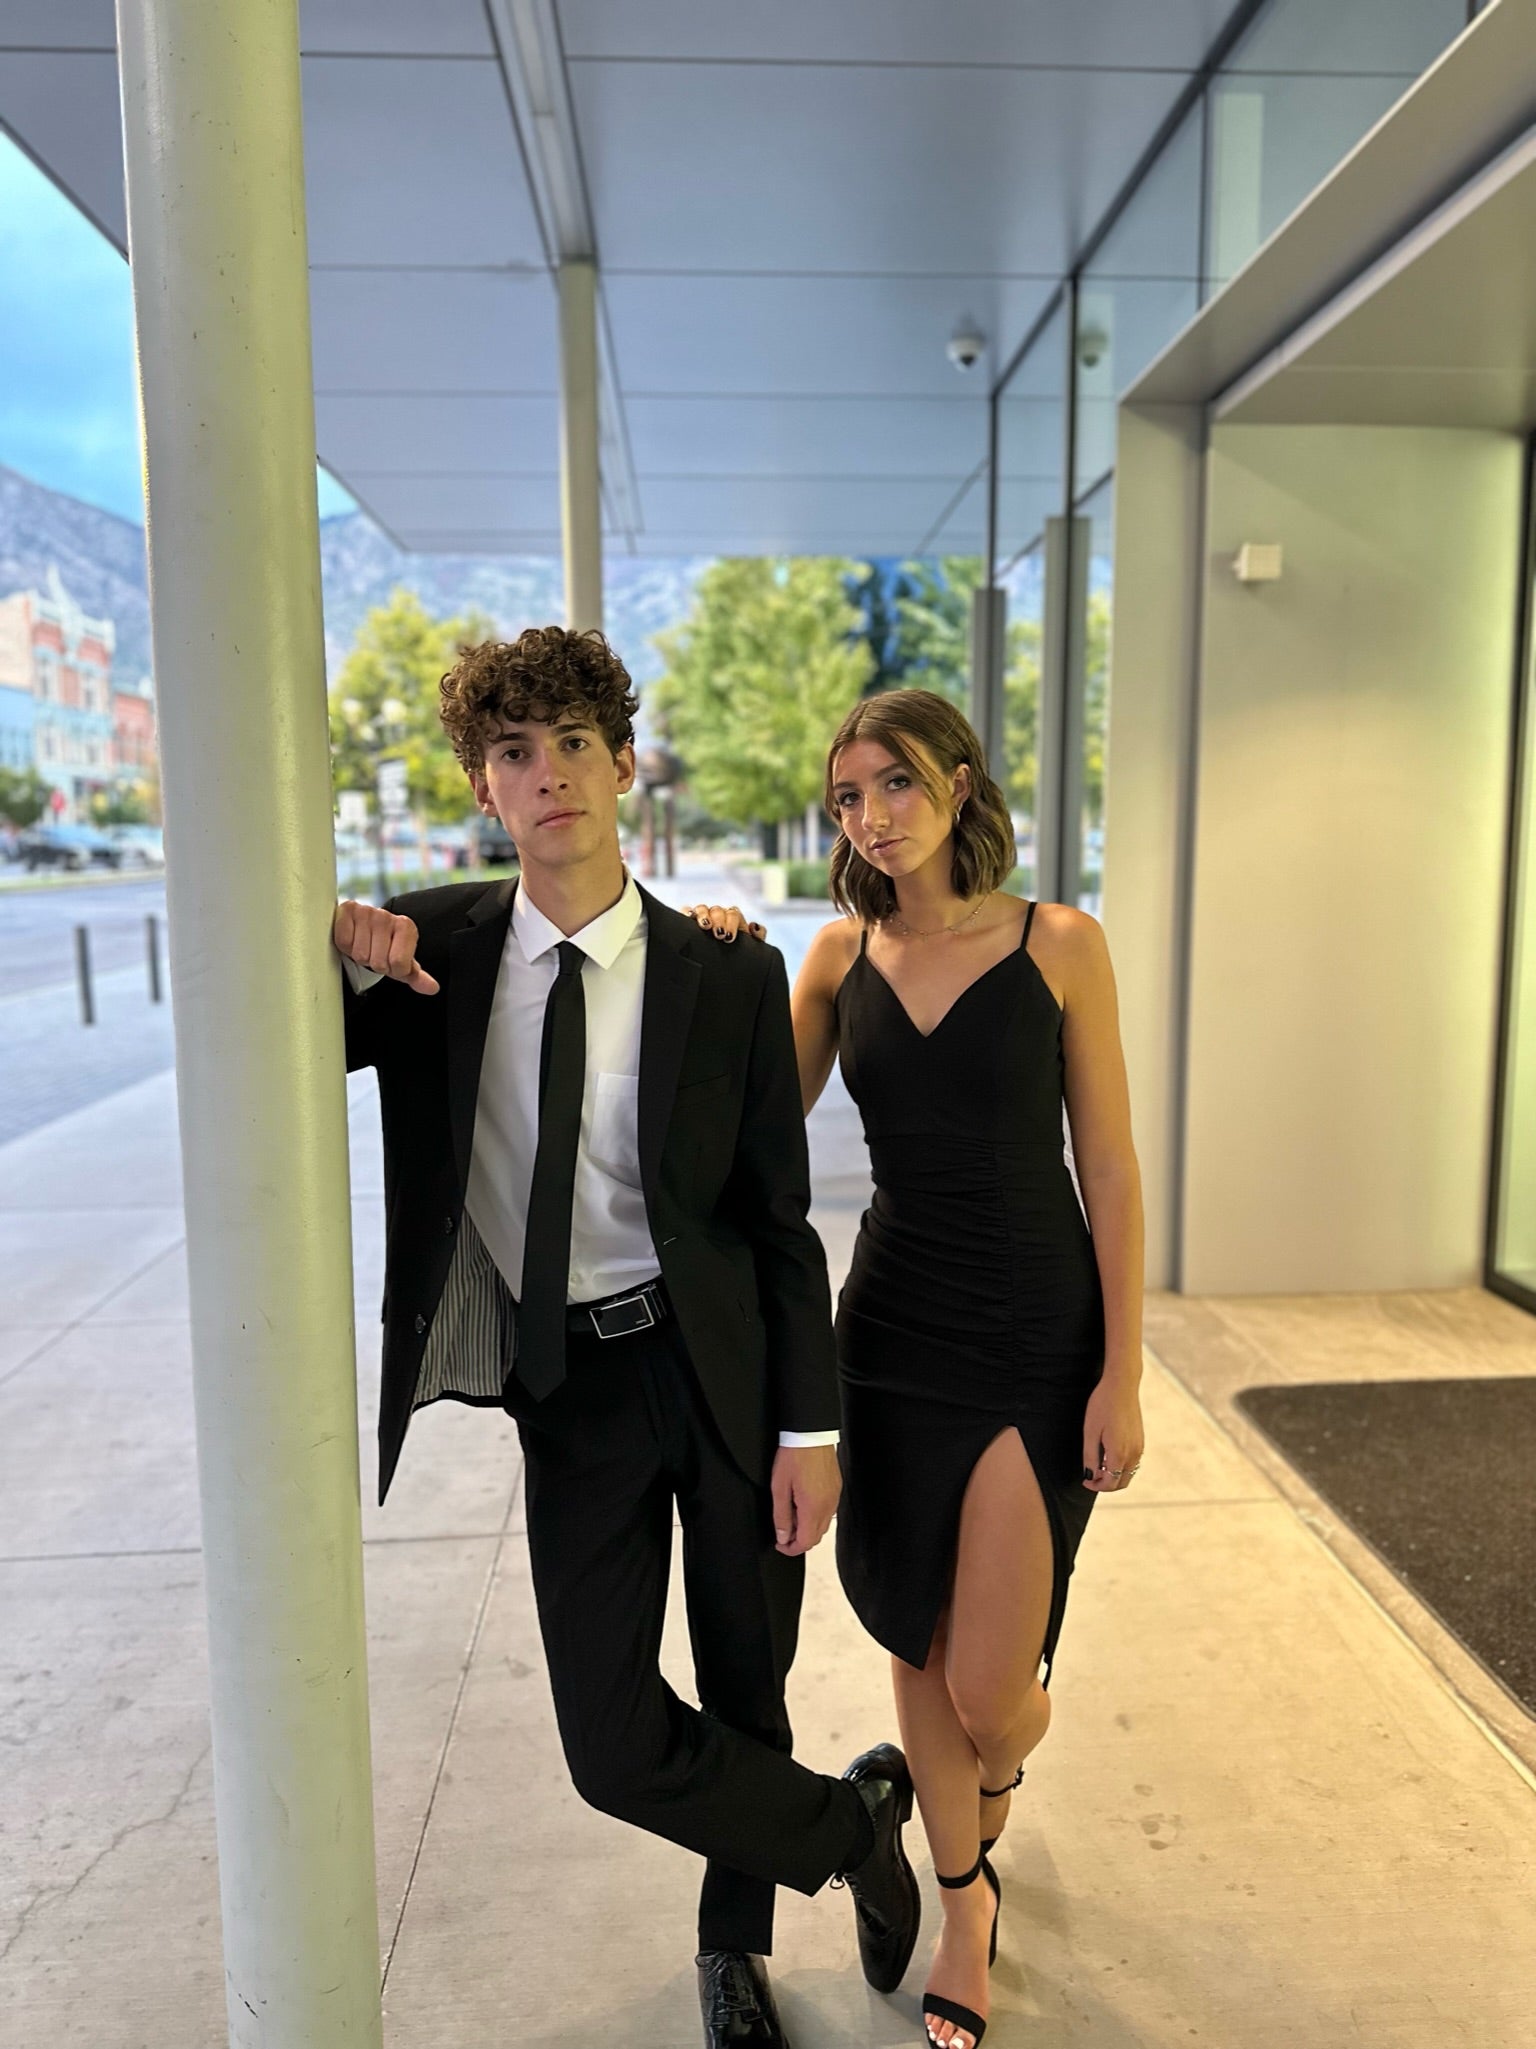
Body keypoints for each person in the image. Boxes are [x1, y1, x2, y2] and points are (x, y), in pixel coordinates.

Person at [332, 627, 922, 2049]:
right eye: (515, 752)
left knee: (746, 1683)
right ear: (484, 786)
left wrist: (811, 1428)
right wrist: (329, 945)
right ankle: (850, 1826)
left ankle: (734, 1952)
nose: (550, 774)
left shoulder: (726, 971)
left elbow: (778, 1223)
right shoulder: (428, 954)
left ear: (624, 764)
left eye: (575, 744)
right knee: (609, 1741)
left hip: (721, 1375)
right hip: (571, 1386)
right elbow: (256, 1027)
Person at [685, 688, 1146, 2049]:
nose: (870, 816)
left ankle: (983, 1791)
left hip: (1038, 1337)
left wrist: (1124, 1370)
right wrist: (718, 967)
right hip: (889, 1341)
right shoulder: (837, 956)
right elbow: (752, 1131)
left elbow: (1111, 1169)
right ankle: (961, 1902)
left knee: (993, 1692)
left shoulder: (1061, 943)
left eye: (893, 782)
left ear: (956, 780)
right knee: (918, 1641)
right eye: (847, 796)